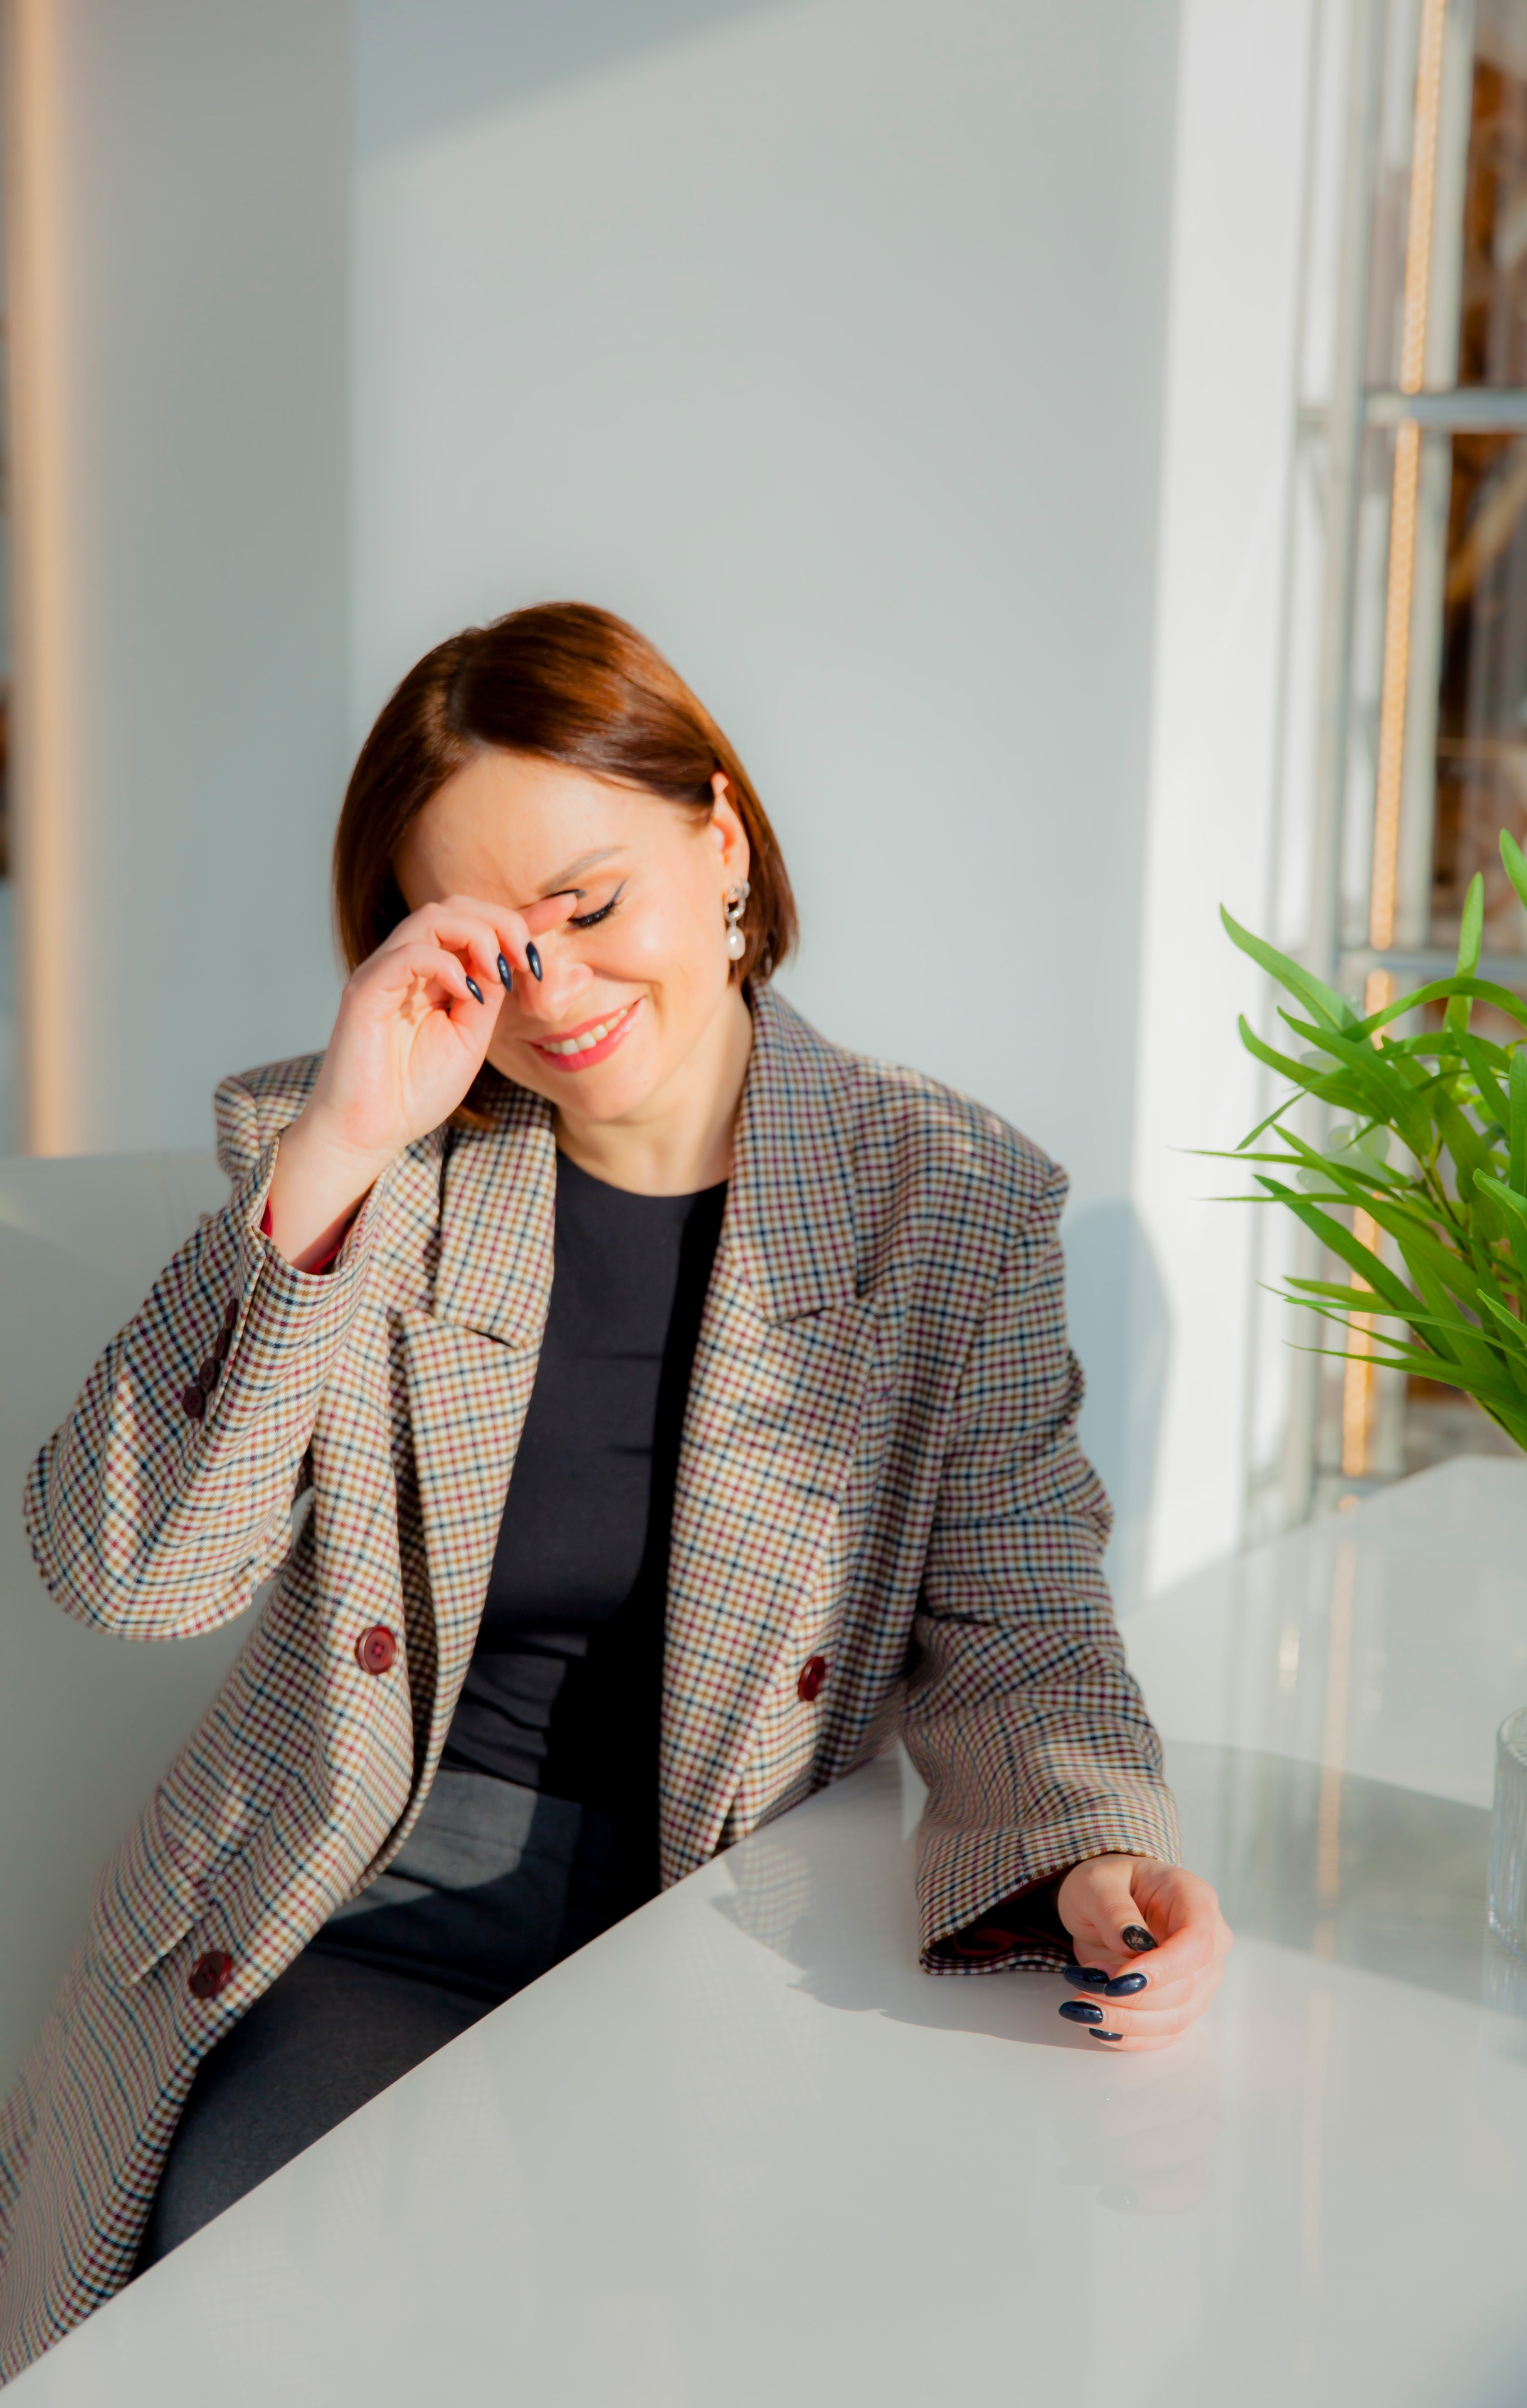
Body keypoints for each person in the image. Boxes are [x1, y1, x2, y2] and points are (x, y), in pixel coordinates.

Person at [0, 603, 1229, 2376]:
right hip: (364, 1926)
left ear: (719, 841)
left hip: (729, 1938)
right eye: (492, 951)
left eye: (590, 907)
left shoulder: (946, 1199)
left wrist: (1100, 1846)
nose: (555, 995)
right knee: (359, 2320)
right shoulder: (378, 1154)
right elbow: (126, 1574)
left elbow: (1022, 1621)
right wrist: (338, 1152)